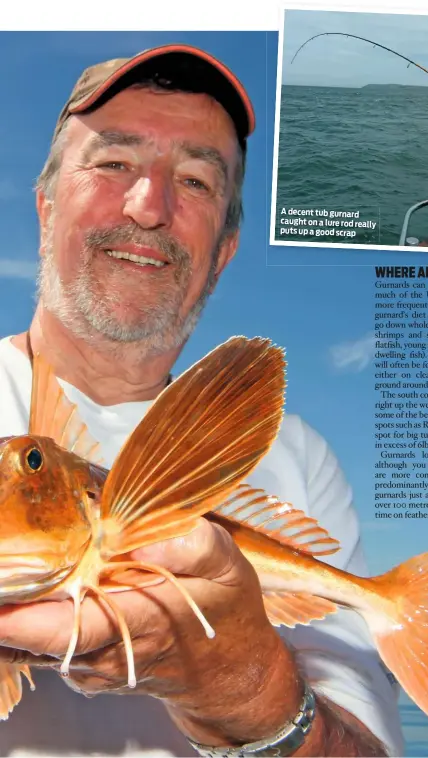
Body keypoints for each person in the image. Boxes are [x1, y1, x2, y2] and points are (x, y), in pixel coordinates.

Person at [0, 44, 404, 757]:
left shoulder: (299, 455)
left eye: (193, 180)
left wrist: (247, 693)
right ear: (45, 205)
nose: (149, 206)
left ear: (222, 252)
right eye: (114, 163)